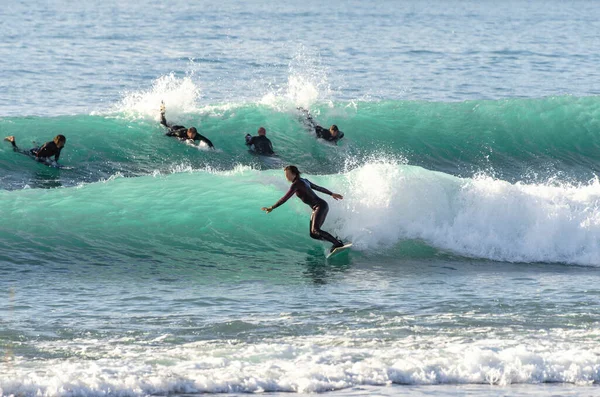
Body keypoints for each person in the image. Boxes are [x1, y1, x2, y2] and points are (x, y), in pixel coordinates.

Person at [262, 165, 345, 253]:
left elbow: (285, 198)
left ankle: (337, 243)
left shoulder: (296, 184)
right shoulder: (304, 181)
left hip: (320, 206)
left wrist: (272, 207)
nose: (286, 177)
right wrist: (331, 193)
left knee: (316, 230)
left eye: (287, 174)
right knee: (313, 234)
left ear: (294, 174)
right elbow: (319, 188)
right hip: (319, 207)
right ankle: (335, 240)